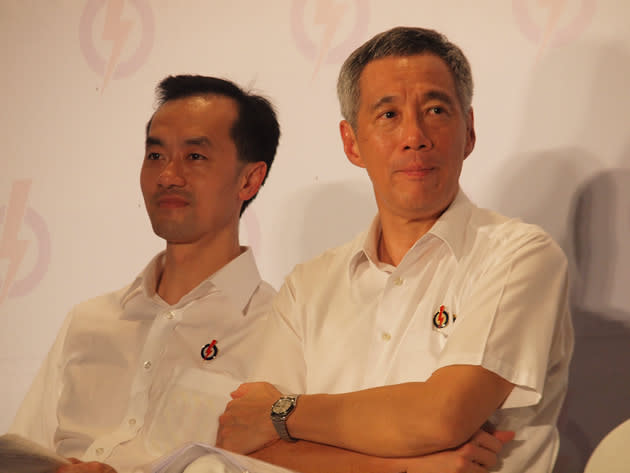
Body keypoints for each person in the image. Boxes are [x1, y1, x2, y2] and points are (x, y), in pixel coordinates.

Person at [217, 27, 573, 473]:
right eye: (388, 115)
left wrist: (283, 414)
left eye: (436, 110)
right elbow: (244, 447)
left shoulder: (519, 255)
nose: (414, 136)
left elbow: (441, 415)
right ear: (352, 143)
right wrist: (404, 468)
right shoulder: (307, 288)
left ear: (469, 131)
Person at [9, 75, 281, 473]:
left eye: (195, 157)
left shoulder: (278, 329)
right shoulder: (89, 322)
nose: (167, 175)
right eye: (155, 156)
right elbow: (22, 454)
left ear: (249, 179)